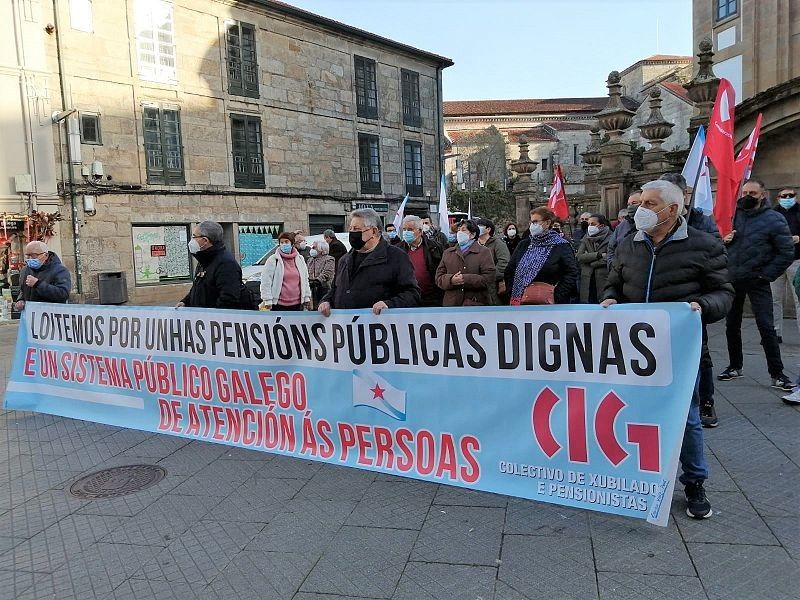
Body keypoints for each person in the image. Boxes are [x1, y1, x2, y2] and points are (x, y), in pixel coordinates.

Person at [602, 179, 734, 519]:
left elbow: (724, 294)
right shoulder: (629, 243)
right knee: (630, 415)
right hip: (631, 351)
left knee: (685, 418)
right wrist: (609, 298)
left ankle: (694, 483)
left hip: (679, 349)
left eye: (650, 203)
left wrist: (702, 305)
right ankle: (637, 481)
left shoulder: (704, 245)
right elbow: (613, 282)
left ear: (673, 210)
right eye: (640, 202)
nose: (640, 209)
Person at [718, 179, 795, 392]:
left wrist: (767, 275)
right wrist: (725, 240)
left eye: (752, 192)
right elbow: (717, 243)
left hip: (758, 280)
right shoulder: (734, 216)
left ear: (762, 195)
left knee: (766, 326)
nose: (747, 196)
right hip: (733, 279)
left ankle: (777, 373)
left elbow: (786, 251)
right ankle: (735, 366)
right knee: (731, 326)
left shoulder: (774, 219)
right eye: (745, 192)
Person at [659, 172, 721, 426]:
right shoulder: (643, 224)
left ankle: (705, 402)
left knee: (699, 356)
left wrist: (703, 302)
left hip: (688, 305)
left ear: (683, 196)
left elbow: (716, 266)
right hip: (655, 304)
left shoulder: (701, 223)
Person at [319, 208, 420, 315]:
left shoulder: (396, 257)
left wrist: (389, 304)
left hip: (379, 327)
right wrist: (326, 301)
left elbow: (412, 294)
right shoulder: (345, 260)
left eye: (356, 229)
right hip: (347, 327)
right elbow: (335, 289)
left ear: (374, 231)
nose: (352, 233)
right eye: (351, 229)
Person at [505, 207, 578, 305]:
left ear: (547, 223)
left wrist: (557, 296)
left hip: (551, 303)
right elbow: (510, 270)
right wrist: (512, 291)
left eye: (535, 222)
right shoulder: (524, 244)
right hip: (521, 301)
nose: (532, 225)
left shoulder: (561, 245)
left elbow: (571, 273)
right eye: (531, 222)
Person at [178, 221, 245, 309]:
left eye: (194, 237)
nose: (191, 240)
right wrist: (185, 302)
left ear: (205, 240)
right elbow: (198, 288)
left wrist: (209, 317)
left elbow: (228, 300)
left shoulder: (226, 264)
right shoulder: (204, 260)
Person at [435, 220, 495, 306]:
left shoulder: (484, 252)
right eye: (459, 230)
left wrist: (465, 279)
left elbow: (489, 278)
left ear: (473, 234)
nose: (459, 233)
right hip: (452, 304)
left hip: (476, 304)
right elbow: (438, 278)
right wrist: (451, 280)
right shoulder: (448, 252)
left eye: (463, 230)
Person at [771, 187, 800, 342]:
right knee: (775, 299)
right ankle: (776, 332)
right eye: (784, 196)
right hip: (776, 261)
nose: (788, 198)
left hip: (796, 260)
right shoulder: (773, 214)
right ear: (778, 198)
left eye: (791, 195)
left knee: (799, 298)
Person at [259, 232, 311, 311]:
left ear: (292, 244)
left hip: (297, 304)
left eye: (286, 242)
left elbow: (305, 279)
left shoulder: (300, 259)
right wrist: (267, 300)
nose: (284, 244)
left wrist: (307, 297)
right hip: (278, 304)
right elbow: (266, 281)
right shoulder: (273, 260)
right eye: (281, 242)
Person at [13, 241, 71, 311]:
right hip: (31, 316)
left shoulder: (60, 270)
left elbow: (63, 294)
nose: (30, 259)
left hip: (50, 316)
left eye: (34, 255)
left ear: (45, 255)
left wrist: (38, 284)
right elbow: (22, 290)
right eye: (28, 255)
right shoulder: (25, 270)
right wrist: (20, 300)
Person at [400, 215, 443, 307]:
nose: (406, 232)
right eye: (404, 229)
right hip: (406, 299)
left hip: (430, 299)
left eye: (410, 229)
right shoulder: (397, 249)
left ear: (420, 231)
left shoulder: (435, 247)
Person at [576, 213, 612, 303]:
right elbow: (579, 257)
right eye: (589, 224)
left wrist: (593, 263)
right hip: (587, 279)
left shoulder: (611, 237)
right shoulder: (586, 238)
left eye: (593, 224)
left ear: (601, 225)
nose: (590, 227)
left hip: (604, 279)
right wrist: (598, 255)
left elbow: (611, 257)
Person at [475, 217, 510, 305]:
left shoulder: (498, 244)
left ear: (488, 229)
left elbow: (504, 262)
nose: (476, 228)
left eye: (479, 226)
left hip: (494, 285)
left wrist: (489, 276)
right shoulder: (474, 244)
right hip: (477, 285)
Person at [607, 191, 642, 267]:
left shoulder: (651, 224)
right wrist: (612, 266)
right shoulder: (622, 226)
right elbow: (611, 248)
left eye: (634, 203)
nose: (630, 207)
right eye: (628, 204)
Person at [307, 240, 335, 310]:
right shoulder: (310, 260)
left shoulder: (329, 259)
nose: (312, 249)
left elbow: (327, 273)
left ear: (321, 249)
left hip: (324, 288)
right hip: (311, 289)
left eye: (314, 247)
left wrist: (317, 281)